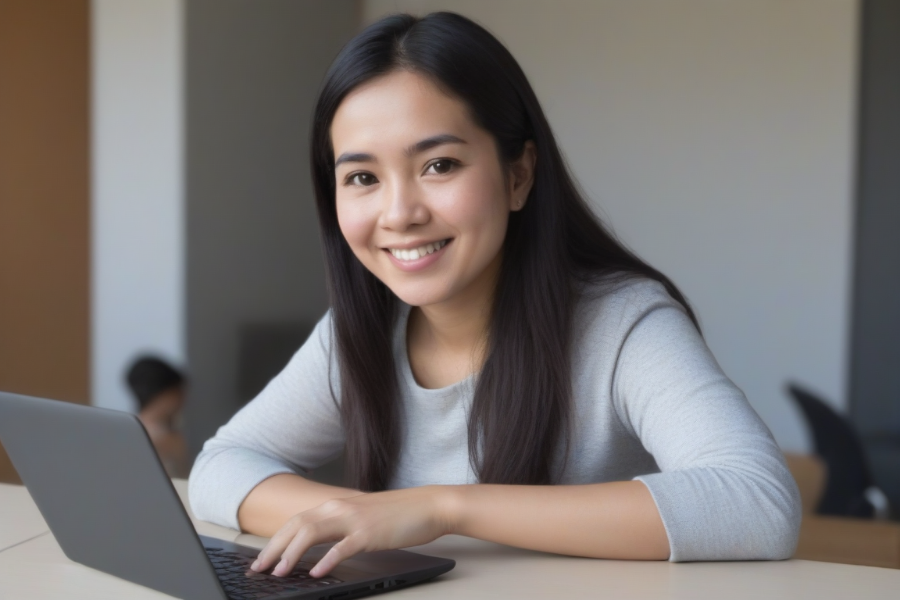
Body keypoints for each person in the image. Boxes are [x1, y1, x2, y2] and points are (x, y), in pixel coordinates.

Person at [189, 12, 800, 579]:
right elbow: (221, 465)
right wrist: (365, 518)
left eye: (440, 165)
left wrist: (442, 509)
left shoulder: (623, 324)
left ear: (518, 174)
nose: (399, 213)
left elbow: (756, 500)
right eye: (362, 178)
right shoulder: (364, 330)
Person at [126, 356, 189, 478]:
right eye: (180, 393)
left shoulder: (126, 430)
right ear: (167, 394)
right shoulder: (167, 440)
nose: (183, 401)